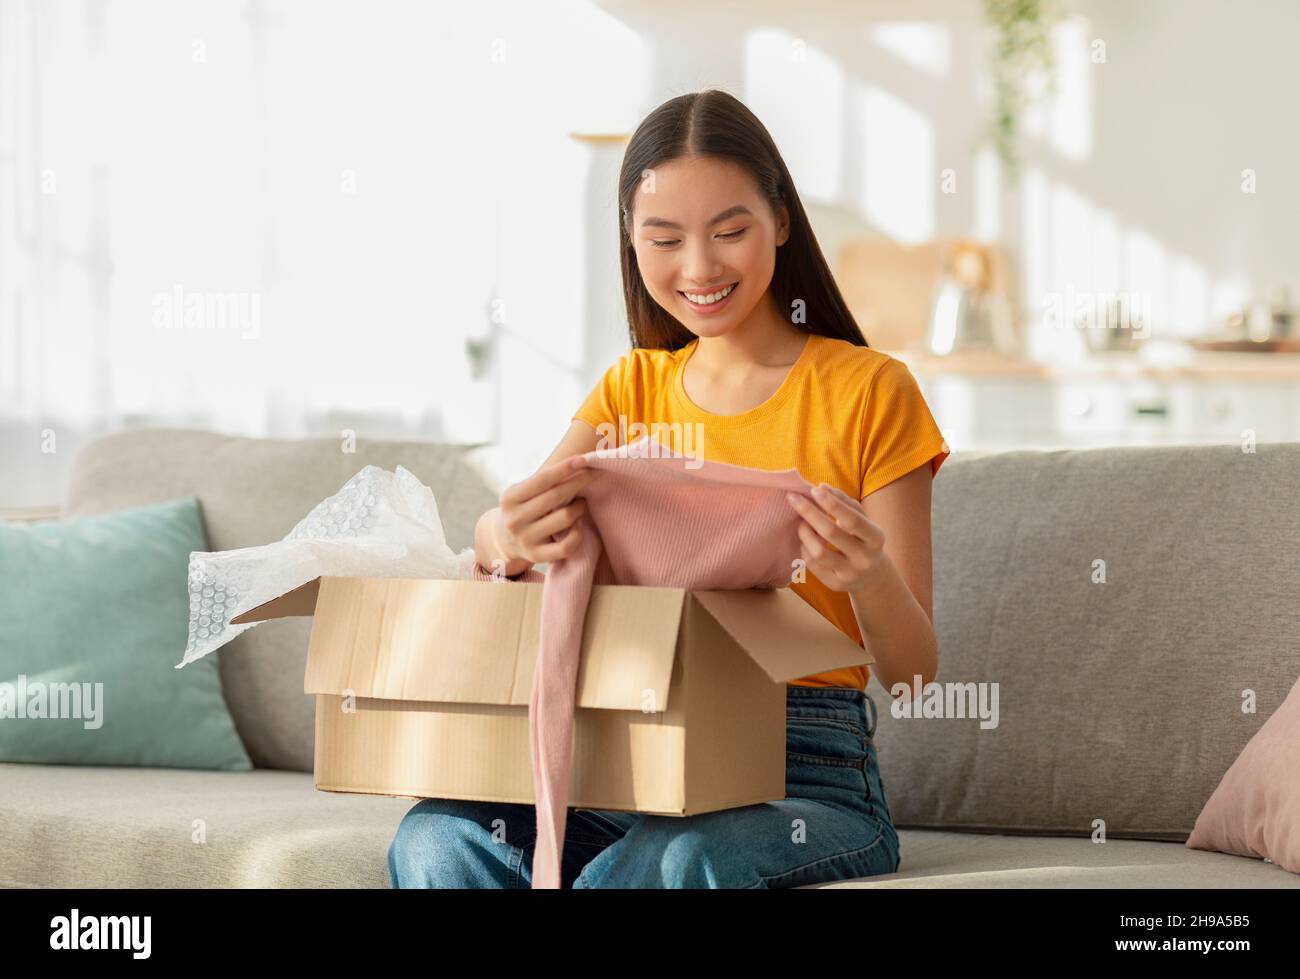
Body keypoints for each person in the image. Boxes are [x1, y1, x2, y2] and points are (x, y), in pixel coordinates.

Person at [388, 88, 949, 888]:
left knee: (677, 857)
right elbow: (503, 533)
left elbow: (918, 676)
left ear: (781, 223)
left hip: (806, 769)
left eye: (730, 232)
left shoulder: (871, 391)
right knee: (436, 840)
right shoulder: (630, 390)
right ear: (630, 239)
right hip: (626, 755)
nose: (700, 268)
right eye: (664, 238)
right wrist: (504, 536)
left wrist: (869, 577)